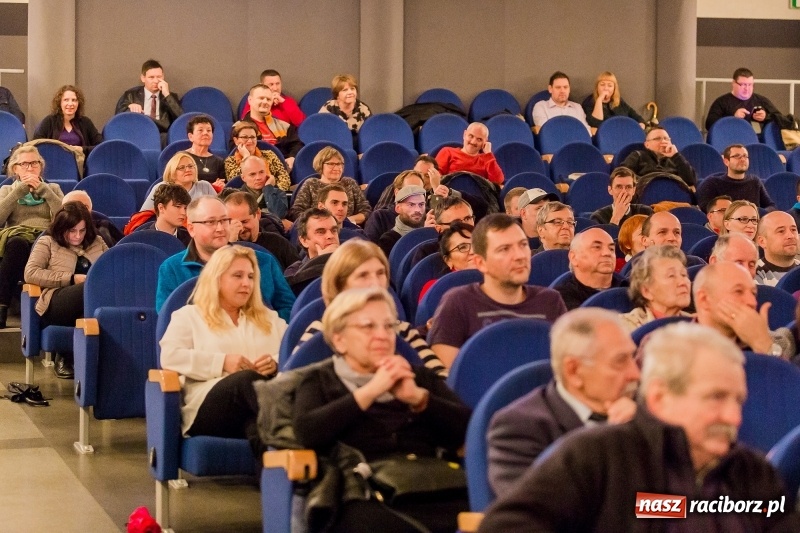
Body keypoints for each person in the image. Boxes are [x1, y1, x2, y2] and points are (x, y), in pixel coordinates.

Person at [478, 322, 800, 532]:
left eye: (738, 400)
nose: (734, 417)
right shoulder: (595, 457)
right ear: (659, 397)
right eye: (715, 398)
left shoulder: (751, 472)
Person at [293, 287, 470, 533]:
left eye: (388, 326)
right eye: (368, 327)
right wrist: (370, 391)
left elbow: (469, 429)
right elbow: (306, 433)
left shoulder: (417, 377)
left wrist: (419, 399)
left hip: (433, 485)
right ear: (339, 339)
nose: (382, 335)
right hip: (359, 493)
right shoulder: (320, 380)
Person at [487, 308, 639, 497]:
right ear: (574, 371)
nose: (635, 374)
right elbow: (541, 514)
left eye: (632, 358)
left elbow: (678, 507)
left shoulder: (643, 414)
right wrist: (614, 443)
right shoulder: (520, 428)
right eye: (620, 361)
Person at [160, 245, 287, 456]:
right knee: (246, 380)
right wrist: (222, 363)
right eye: (237, 276)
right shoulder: (189, 316)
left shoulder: (269, 318)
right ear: (217, 279)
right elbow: (170, 357)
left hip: (255, 409)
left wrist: (275, 362)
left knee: (258, 429)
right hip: (207, 409)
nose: (246, 283)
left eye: (251, 277)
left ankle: (278, 486)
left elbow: (294, 352)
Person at [428, 214, 567, 368]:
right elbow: (450, 381)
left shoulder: (550, 301)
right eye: (504, 249)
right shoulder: (458, 303)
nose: (519, 256)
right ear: (481, 263)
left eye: (523, 245)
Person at [295, 239, 447, 377]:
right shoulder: (320, 332)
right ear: (340, 285)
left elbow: (441, 381)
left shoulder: (402, 330)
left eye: (380, 273)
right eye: (363, 275)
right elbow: (290, 392)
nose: (375, 283)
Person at [156, 196, 295, 320]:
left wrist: (264, 329)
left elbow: (288, 308)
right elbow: (169, 321)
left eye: (224, 220)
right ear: (191, 229)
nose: (220, 228)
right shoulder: (172, 269)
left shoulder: (263, 261)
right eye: (210, 222)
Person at [23, 202, 107, 378]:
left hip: (93, 299)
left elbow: (111, 266)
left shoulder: (97, 242)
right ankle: (65, 354)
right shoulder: (48, 242)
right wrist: (70, 278)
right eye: (72, 231)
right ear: (62, 228)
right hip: (56, 300)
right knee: (88, 288)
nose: (77, 236)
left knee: (99, 291)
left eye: (82, 231)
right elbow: (30, 273)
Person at [0, 146, 64, 327]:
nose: (30, 168)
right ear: (15, 169)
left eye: (34, 163)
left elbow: (64, 217)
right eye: (24, 164)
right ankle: (1, 306)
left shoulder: (53, 188)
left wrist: (44, 191)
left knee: (43, 244)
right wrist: (19, 191)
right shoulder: (6, 191)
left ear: (40, 167)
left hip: (46, 236)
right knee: (17, 244)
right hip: (18, 236)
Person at [694, 262, 793, 358]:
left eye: (753, 293)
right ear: (704, 299)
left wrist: (764, 345)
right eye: (738, 291)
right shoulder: (681, 349)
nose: (752, 302)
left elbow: (787, 374)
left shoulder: (775, 343)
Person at [290, 146, 371, 225]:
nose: (336, 168)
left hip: (348, 228)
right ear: (320, 165)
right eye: (331, 164)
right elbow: (297, 212)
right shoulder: (311, 184)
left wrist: (345, 221)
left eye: (339, 164)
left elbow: (365, 211)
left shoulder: (350, 183)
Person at [620, 245, 692, 331]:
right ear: (646, 291)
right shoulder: (626, 327)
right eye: (671, 276)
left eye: (684, 274)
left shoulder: (697, 324)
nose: (683, 282)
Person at [223, 191, 299, 271]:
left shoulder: (277, 243)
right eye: (232, 223)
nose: (240, 228)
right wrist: (231, 242)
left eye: (244, 221)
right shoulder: (219, 249)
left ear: (258, 214)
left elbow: (297, 274)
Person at [114, 59, 183, 145]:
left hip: (161, 136)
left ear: (163, 77)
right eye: (151, 77)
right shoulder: (131, 95)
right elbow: (118, 118)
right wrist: (129, 106)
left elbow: (181, 120)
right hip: (138, 133)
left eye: (159, 77)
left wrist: (167, 95)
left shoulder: (170, 97)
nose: (156, 81)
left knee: (165, 137)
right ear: (143, 78)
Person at [553, 227, 623, 310]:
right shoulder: (559, 299)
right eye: (597, 247)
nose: (607, 253)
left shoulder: (631, 289)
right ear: (574, 257)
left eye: (611, 249)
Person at [696, 144, 776, 212]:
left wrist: (756, 214)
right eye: (737, 156)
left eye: (745, 156)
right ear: (726, 161)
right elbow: (705, 209)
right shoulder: (713, 183)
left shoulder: (754, 181)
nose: (742, 159)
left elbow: (770, 206)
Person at [243, 85, 303, 168]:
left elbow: (297, 145)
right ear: (250, 100)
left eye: (268, 99)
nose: (265, 102)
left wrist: (292, 157)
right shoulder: (239, 128)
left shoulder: (284, 126)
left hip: (283, 170)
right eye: (261, 98)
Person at [33, 85, 102, 155]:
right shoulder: (49, 121)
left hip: (80, 163)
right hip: (54, 163)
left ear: (78, 103)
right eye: (66, 100)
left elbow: (100, 146)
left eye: (74, 100)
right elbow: (35, 145)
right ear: (60, 103)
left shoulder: (86, 122)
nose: (70, 104)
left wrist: (82, 149)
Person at [705, 67, 781, 131]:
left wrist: (766, 117)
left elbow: (781, 119)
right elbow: (709, 125)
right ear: (734, 83)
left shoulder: (761, 100)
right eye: (743, 85)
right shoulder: (721, 102)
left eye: (750, 85)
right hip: (730, 139)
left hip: (757, 140)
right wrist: (733, 118)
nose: (747, 88)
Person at [620, 126, 697, 188]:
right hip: (646, 197)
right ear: (647, 145)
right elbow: (622, 175)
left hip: (673, 197)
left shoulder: (676, 159)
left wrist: (676, 156)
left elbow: (691, 181)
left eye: (666, 139)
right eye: (657, 139)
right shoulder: (638, 155)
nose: (663, 142)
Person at [284, 208, 340, 294]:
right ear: (304, 240)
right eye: (321, 232)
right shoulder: (294, 271)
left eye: (334, 230)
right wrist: (323, 260)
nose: (330, 236)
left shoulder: (353, 263)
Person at [418, 222, 476, 302]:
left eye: (477, 244)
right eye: (462, 247)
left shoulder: (497, 279)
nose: (473, 251)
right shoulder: (436, 289)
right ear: (448, 260)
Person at [140, 151, 216, 211]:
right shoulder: (162, 188)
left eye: (190, 166)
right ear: (172, 172)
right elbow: (144, 215)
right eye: (181, 168)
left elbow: (219, 209)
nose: (188, 170)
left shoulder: (205, 186)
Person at [366, 170, 427, 241]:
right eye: (409, 190)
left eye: (419, 191)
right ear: (397, 192)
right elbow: (369, 249)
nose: (415, 195)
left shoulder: (429, 215)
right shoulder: (380, 217)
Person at [435, 122, 504, 185]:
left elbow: (498, 181)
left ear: (485, 142)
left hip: (477, 197)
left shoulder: (487, 159)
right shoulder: (447, 152)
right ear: (464, 134)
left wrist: (488, 153)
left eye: (479, 139)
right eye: (471, 136)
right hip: (450, 195)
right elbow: (435, 177)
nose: (473, 142)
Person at [589, 167, 654, 225]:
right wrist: (616, 218)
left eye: (628, 187)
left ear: (634, 190)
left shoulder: (646, 212)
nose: (624, 192)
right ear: (610, 190)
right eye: (619, 187)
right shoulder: (598, 217)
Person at [239, 69, 305, 126]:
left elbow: (301, 123)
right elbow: (246, 122)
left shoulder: (288, 101)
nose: (275, 88)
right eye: (271, 84)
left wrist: (284, 103)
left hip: (284, 138)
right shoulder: (254, 101)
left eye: (278, 84)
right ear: (262, 85)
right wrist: (269, 103)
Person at [377, 185, 427, 258]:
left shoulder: (432, 232)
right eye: (411, 205)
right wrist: (423, 235)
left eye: (421, 204)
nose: (418, 210)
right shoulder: (388, 240)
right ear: (398, 208)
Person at [318, 74, 372, 139]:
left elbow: (370, 133)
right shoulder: (328, 108)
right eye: (345, 90)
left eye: (352, 89)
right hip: (334, 142)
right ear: (337, 94)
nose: (350, 92)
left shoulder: (363, 109)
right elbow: (320, 132)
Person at [754, 211, 799, 286]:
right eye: (781, 231)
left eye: (793, 230)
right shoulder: (753, 273)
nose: (791, 236)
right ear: (762, 241)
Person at [238, 155, 288, 221]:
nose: (258, 177)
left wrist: (268, 188)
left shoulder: (278, 193)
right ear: (243, 178)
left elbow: (279, 215)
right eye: (252, 174)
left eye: (261, 172)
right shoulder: (237, 197)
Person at [183, 114, 225, 189]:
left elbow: (223, 183)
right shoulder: (182, 157)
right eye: (200, 130)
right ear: (190, 136)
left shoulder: (219, 161)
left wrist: (221, 186)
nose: (205, 133)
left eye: (209, 130)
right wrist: (211, 187)